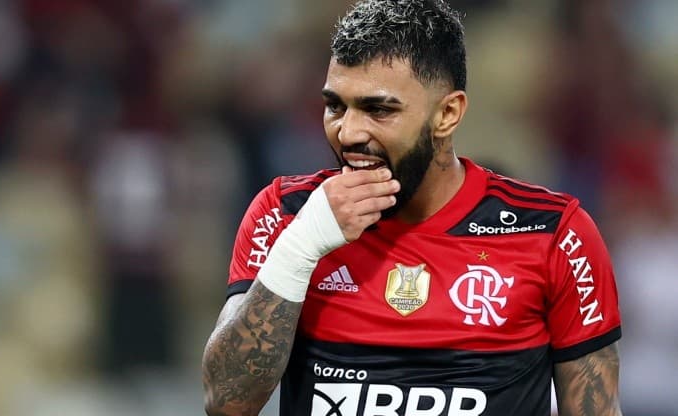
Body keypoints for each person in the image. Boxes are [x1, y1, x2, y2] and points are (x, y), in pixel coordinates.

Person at [202, 1, 623, 415]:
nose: (348, 132)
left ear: (448, 114)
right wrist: (300, 248)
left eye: (378, 109)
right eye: (336, 106)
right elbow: (226, 401)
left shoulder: (553, 234)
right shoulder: (286, 215)